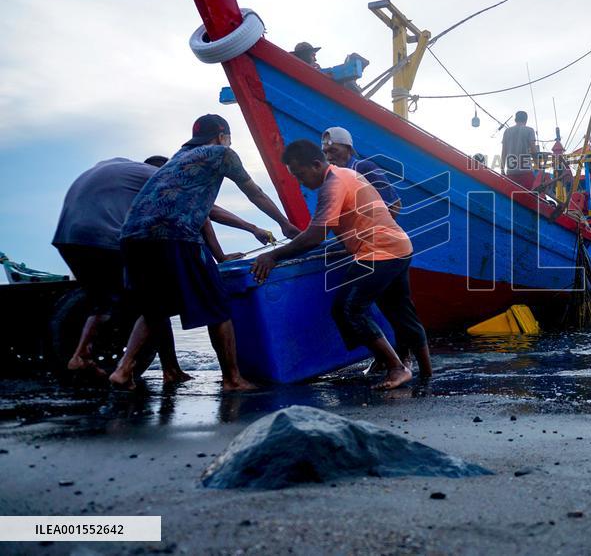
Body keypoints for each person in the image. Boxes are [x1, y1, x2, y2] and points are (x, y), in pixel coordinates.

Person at [109, 114, 301, 391]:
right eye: (229, 138)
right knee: (217, 306)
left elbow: (203, 209)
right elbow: (254, 192)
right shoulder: (222, 153)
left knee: (154, 309)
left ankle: (124, 370)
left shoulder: (179, 156)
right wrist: (284, 224)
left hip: (132, 237)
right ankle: (233, 379)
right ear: (222, 136)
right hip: (174, 236)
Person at [52, 155, 274, 379]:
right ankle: (153, 369)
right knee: (156, 302)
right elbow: (206, 211)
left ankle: (82, 355)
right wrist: (246, 233)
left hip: (68, 236)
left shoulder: (115, 169)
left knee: (107, 301)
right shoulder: (157, 178)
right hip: (108, 237)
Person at [251, 140, 431, 389]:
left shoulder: (331, 185)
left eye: (300, 175)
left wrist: (272, 256)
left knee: (347, 309)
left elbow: (316, 235)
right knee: (401, 311)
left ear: (316, 165)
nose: (300, 182)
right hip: (400, 248)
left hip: (378, 253)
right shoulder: (346, 173)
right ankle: (427, 374)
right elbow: (329, 227)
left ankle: (396, 367)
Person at [321, 126, 401, 218]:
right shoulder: (332, 179)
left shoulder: (364, 168)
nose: (328, 157)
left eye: (333, 151)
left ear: (349, 150)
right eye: (325, 153)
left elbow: (394, 205)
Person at [500, 111, 538, 189]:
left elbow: (504, 152)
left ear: (515, 120)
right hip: (526, 172)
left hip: (511, 172)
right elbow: (533, 150)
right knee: (530, 197)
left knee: (512, 197)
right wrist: (538, 166)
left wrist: (502, 169)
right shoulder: (529, 130)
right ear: (526, 120)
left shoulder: (507, 131)